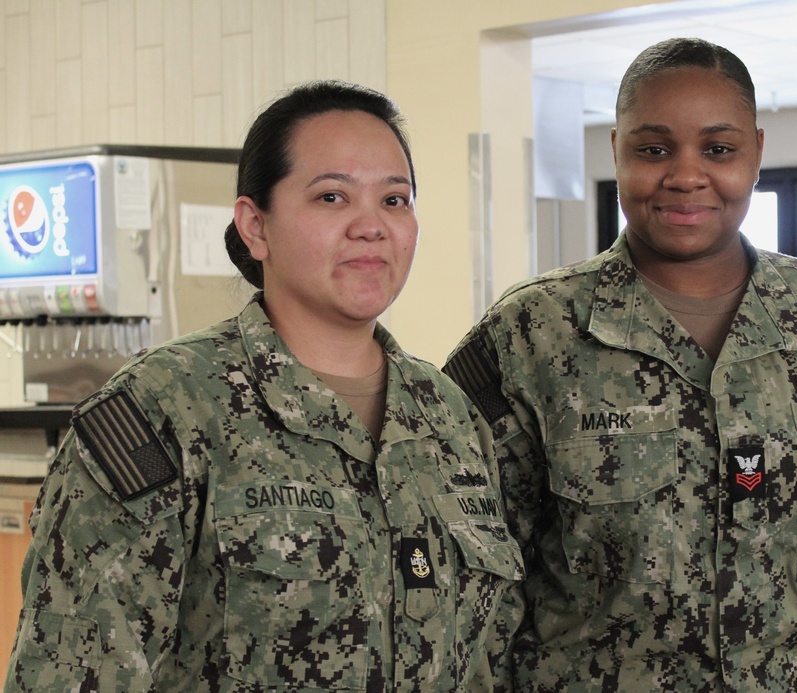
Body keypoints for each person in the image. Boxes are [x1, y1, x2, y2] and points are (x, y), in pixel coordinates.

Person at [444, 38, 797, 691]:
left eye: (718, 149)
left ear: (757, 152)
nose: (685, 174)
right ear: (616, 149)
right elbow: (478, 589)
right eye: (652, 150)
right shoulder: (529, 338)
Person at [5, 80, 524, 692]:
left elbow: (489, 655)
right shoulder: (163, 411)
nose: (371, 226)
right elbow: (73, 674)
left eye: (395, 200)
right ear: (256, 226)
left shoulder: (450, 418)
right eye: (332, 197)